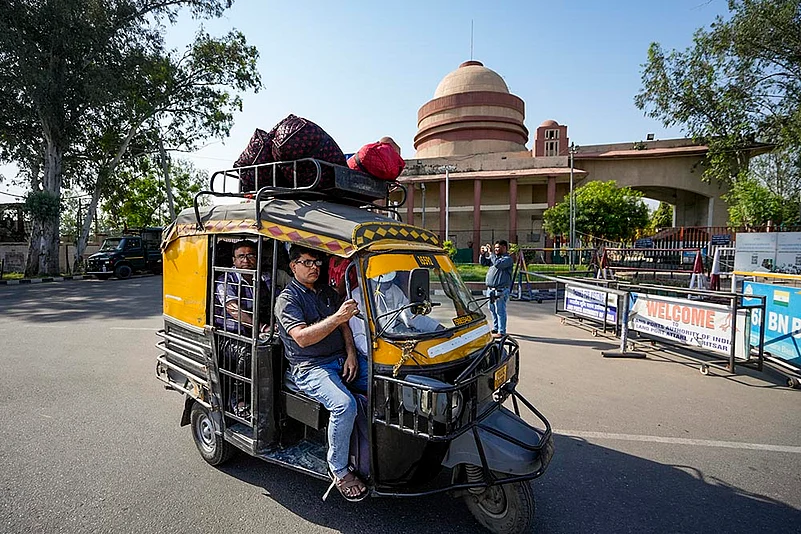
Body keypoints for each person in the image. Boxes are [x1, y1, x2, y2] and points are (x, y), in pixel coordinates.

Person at [274, 245, 369, 501]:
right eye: (307, 263)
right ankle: (338, 469)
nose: (314, 267)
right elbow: (302, 338)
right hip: (310, 368)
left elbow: (345, 324)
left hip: (341, 359)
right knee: (344, 405)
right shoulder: (287, 299)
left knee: (384, 378)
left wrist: (351, 353)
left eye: (317, 262)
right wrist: (337, 317)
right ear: (293, 266)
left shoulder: (327, 291)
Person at [214, 239, 272, 336]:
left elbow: (277, 299)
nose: (246, 260)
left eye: (250, 255)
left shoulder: (265, 277)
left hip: (259, 331)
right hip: (233, 333)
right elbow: (233, 309)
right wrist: (262, 327)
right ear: (234, 260)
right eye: (241, 256)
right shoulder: (225, 279)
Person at [370, 271, 442, 334]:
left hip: (393, 336)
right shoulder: (360, 296)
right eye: (384, 282)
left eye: (389, 281)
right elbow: (360, 335)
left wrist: (435, 327)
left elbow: (411, 314)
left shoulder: (395, 291)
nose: (387, 284)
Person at [479, 240, 514, 338]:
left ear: (504, 248)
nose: (496, 249)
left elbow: (498, 264)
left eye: (499, 248)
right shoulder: (495, 258)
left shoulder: (507, 259)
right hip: (491, 289)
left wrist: (491, 253)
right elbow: (484, 263)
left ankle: (501, 331)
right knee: (492, 309)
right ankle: (496, 327)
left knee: (500, 310)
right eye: (496, 247)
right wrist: (482, 254)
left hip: (501, 290)